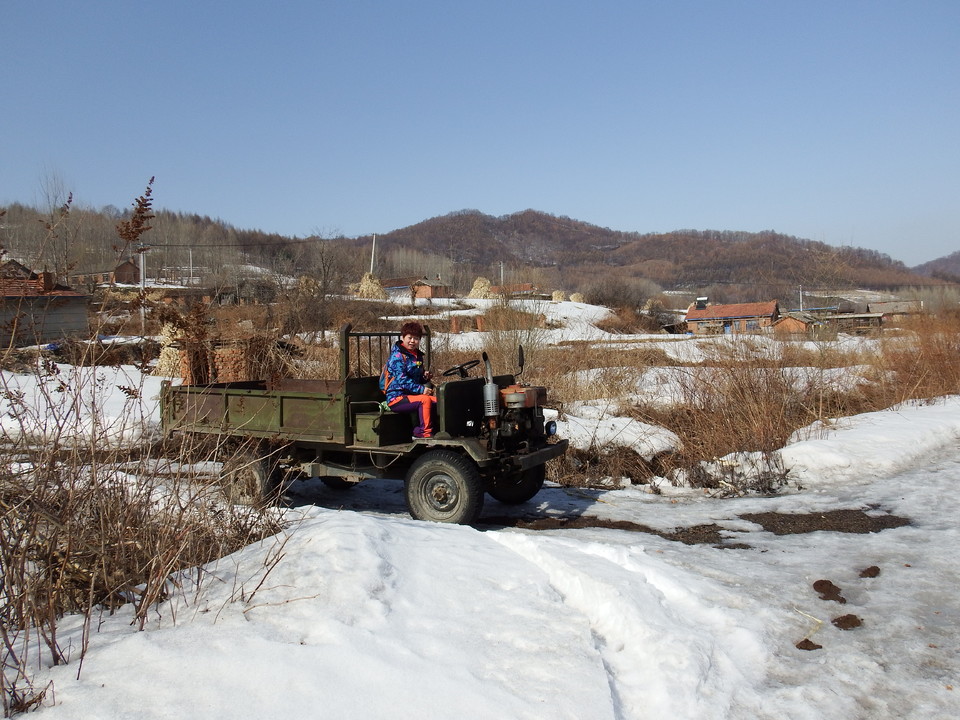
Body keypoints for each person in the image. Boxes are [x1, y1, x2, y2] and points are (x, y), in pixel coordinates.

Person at [381, 321, 436, 439]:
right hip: (397, 398)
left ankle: (440, 430)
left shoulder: (417, 355)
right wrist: (422, 389)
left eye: (416, 338)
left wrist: (424, 377)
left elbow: (416, 377)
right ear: (403, 338)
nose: (412, 341)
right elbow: (402, 380)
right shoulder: (397, 356)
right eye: (409, 338)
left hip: (412, 395)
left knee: (438, 401)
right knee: (425, 400)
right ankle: (423, 433)